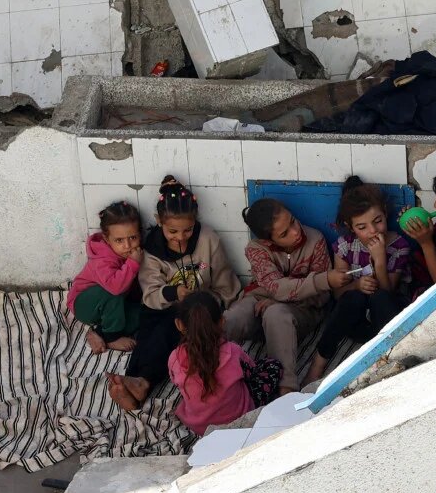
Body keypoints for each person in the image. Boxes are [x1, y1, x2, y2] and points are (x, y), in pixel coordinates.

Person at [108, 176, 242, 413]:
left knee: (171, 329)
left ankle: (143, 383)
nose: (180, 237)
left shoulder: (208, 239)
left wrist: (215, 303)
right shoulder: (152, 248)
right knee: (150, 332)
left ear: (195, 221)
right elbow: (150, 293)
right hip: (162, 304)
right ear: (159, 221)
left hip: (199, 307)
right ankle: (134, 381)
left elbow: (224, 282)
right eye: (172, 231)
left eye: (187, 230)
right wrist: (174, 293)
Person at [307, 177, 413, 382]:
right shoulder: (344, 246)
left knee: (379, 297)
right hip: (359, 326)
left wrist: (380, 260)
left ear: (385, 213)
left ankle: (390, 360)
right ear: (351, 227)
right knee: (352, 298)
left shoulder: (399, 246)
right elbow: (337, 294)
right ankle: (318, 362)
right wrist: (356, 284)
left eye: (378, 221)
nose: (373, 231)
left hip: (388, 322)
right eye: (362, 227)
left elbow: (388, 292)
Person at [227, 198, 332, 393]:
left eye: (293, 221)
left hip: (301, 310)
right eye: (284, 234)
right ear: (268, 241)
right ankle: (202, 366)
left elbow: (321, 294)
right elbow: (276, 287)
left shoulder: (315, 240)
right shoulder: (256, 249)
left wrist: (276, 301)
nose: (295, 231)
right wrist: (275, 297)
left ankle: (285, 390)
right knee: (235, 316)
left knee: (276, 313)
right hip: (260, 303)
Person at [167, 292, 264, 435]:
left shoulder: (174, 358)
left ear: (179, 324)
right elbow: (252, 371)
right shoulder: (233, 351)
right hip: (239, 420)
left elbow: (175, 381)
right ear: (222, 321)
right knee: (272, 366)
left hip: (200, 427)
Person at [67, 201, 144, 354]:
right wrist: (133, 264)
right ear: (107, 239)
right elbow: (116, 288)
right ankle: (112, 337)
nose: (127, 245)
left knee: (142, 315)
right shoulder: (103, 260)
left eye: (133, 237)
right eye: (119, 240)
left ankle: (98, 333)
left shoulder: (135, 252)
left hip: (111, 307)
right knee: (112, 290)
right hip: (85, 305)